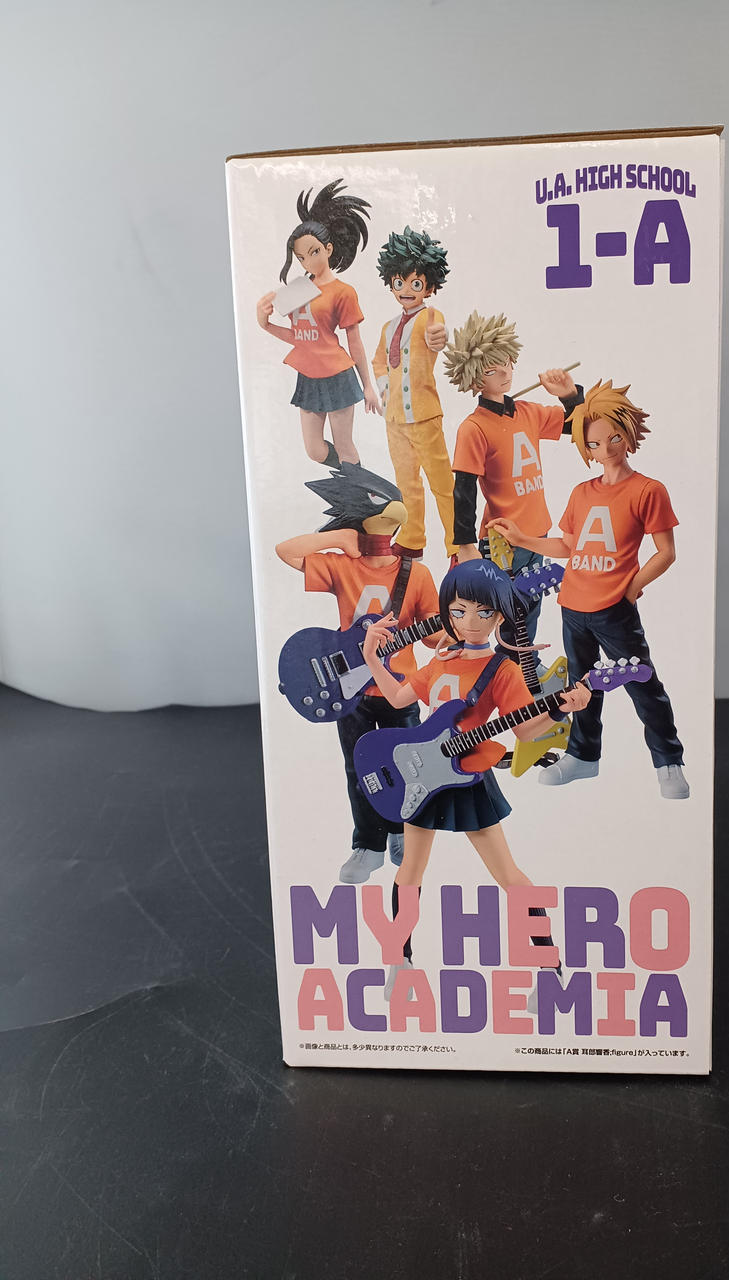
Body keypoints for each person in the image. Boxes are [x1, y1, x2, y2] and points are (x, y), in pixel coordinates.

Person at [359, 559, 591, 997]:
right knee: (409, 872)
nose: (470, 621)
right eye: (459, 611)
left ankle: (549, 966)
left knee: (508, 875)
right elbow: (398, 696)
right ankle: (400, 961)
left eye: (484, 613)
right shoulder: (440, 661)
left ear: (500, 617)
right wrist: (372, 657)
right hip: (423, 779)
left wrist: (562, 709)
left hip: (467, 778)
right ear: (447, 611)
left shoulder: (501, 670)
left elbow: (525, 730)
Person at [489, 380, 689, 800]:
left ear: (629, 434)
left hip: (613, 608)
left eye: (614, 438)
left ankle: (668, 761)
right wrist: (522, 539)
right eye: (595, 443)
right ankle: (582, 756)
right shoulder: (582, 492)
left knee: (642, 683)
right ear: (585, 448)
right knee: (579, 687)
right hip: (572, 606)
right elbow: (567, 546)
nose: (607, 449)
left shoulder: (648, 490)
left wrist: (632, 588)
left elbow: (666, 553)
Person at [275, 463, 442, 883]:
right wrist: (338, 539)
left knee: (409, 766)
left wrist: (457, 628)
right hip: (349, 690)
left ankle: (404, 834)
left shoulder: (417, 573)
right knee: (358, 768)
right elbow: (285, 550)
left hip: (401, 688)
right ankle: (368, 844)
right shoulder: (342, 566)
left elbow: (432, 638)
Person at [443, 311, 582, 642]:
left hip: (538, 534)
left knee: (529, 610)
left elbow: (578, 426)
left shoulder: (529, 412)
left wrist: (569, 395)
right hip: (502, 541)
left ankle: (520, 671)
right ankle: (497, 669)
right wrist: (464, 545)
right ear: (475, 379)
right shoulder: (474, 427)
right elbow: (463, 490)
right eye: (493, 369)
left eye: (507, 362)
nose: (506, 373)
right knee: (496, 615)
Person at [257, 182, 381, 467]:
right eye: (301, 257)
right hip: (308, 375)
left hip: (337, 375)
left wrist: (368, 386)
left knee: (344, 445)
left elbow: (354, 342)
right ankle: (355, 483)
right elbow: (299, 337)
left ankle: (356, 489)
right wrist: (265, 325)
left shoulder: (343, 292)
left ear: (328, 248)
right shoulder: (298, 289)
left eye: (313, 252)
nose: (307, 262)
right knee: (314, 450)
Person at [371, 227, 456, 558]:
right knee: (406, 482)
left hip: (424, 415)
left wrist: (438, 337)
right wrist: (384, 389)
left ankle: (457, 542)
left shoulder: (431, 317)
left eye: (416, 284)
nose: (407, 290)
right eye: (399, 283)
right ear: (390, 283)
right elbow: (379, 362)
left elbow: (437, 335)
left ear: (429, 287)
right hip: (394, 420)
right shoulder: (388, 327)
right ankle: (412, 538)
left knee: (442, 483)